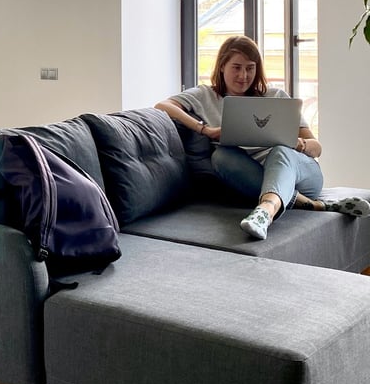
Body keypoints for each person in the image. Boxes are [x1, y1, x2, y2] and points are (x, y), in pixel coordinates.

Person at [155, 35, 370, 241]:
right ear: (222, 66)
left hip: (300, 174)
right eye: (236, 68)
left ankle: (265, 212)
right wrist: (205, 130)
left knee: (280, 151)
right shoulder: (205, 95)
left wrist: (300, 144)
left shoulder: (275, 96)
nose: (243, 76)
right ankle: (317, 206)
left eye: (250, 68)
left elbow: (317, 148)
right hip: (252, 176)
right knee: (220, 157)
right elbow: (163, 106)